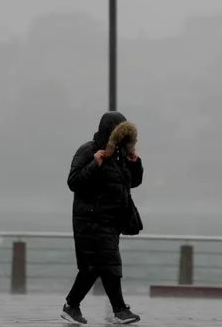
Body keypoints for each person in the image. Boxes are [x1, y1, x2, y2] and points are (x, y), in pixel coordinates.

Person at [61, 111, 143, 325]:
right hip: (90, 220)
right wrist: (94, 164)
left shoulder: (119, 154)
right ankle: (119, 310)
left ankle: (72, 305)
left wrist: (134, 163)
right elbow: (74, 182)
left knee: (94, 267)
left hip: (110, 221)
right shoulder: (88, 150)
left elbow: (131, 182)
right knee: (108, 264)